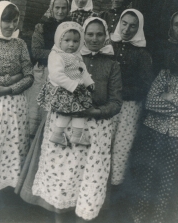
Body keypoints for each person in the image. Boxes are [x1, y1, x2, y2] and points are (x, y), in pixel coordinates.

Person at [15, 17, 122, 223]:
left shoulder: (112, 65)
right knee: (61, 177)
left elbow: (116, 102)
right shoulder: (66, 55)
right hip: (63, 122)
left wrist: (96, 112)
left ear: (106, 37)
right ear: (83, 35)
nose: (93, 38)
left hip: (93, 126)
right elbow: (53, 86)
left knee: (85, 179)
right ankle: (57, 216)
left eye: (99, 34)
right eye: (89, 34)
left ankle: (81, 215)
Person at [122, 40, 178, 223]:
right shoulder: (165, 74)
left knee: (170, 183)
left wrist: (171, 97)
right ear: (177, 54)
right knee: (148, 178)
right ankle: (141, 218)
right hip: (154, 136)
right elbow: (151, 101)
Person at [0, 1, 33, 219]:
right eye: (6, 20)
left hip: (15, 108)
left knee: (11, 151)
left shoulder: (20, 44)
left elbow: (29, 76)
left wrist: (8, 87)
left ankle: (6, 200)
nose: (10, 25)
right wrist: (10, 77)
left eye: (14, 21)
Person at [110, 9, 153, 186]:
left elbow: (144, 86)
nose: (127, 29)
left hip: (128, 107)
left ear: (139, 28)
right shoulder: (109, 46)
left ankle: (115, 186)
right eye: (124, 23)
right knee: (103, 141)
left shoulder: (143, 55)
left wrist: (119, 92)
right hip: (108, 104)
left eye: (133, 26)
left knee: (121, 146)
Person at [37, 21, 94, 146]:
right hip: (63, 90)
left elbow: (82, 70)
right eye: (67, 40)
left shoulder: (77, 56)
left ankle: (77, 135)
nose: (71, 45)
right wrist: (72, 85)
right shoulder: (56, 55)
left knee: (79, 111)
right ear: (59, 40)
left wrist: (89, 82)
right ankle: (57, 134)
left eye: (75, 41)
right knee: (67, 111)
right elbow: (56, 75)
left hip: (76, 89)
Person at [27, 0, 70, 136]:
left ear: (68, 9)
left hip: (63, 73)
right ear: (51, 8)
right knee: (36, 109)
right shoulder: (41, 27)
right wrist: (60, 53)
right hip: (43, 71)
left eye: (64, 8)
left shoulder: (72, 27)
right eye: (57, 7)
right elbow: (37, 52)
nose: (60, 11)